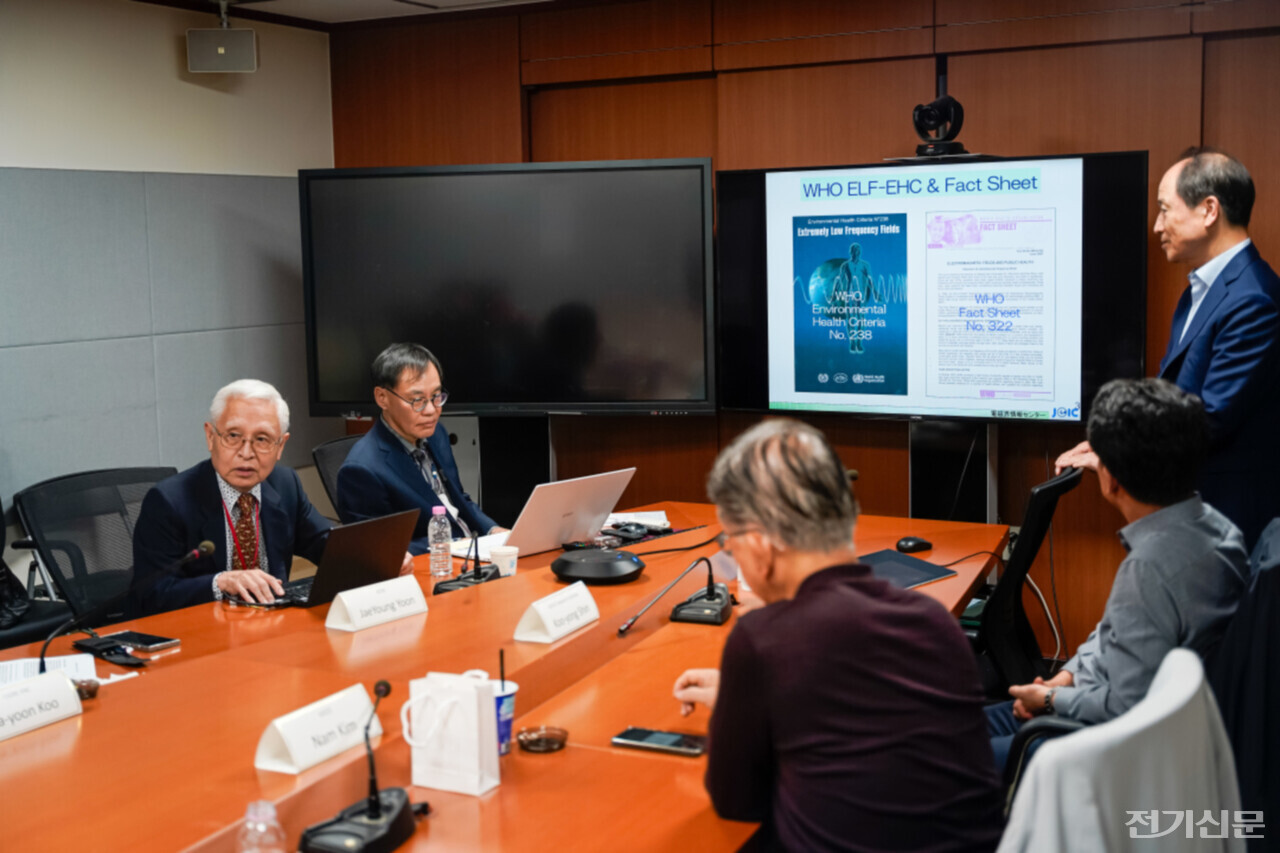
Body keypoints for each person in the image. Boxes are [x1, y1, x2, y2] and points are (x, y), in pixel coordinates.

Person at [672, 419, 1002, 853]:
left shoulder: (762, 640)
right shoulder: (934, 620)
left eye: (731, 544)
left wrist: (741, 705)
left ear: (760, 546)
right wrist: (748, 695)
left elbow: (738, 803)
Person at [991, 378, 1248, 770]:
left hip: (1105, 745)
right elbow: (1114, 634)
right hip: (1115, 706)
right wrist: (1067, 678)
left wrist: (1049, 700)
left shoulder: (1149, 569)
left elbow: (1124, 708)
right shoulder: (1217, 528)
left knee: (939, 753)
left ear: (1110, 480)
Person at [1058, 148, 1280, 550]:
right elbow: (1172, 402)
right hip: (1194, 517)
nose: (1157, 225)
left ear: (1209, 210)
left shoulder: (1253, 299)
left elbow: (1208, 420)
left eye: (1164, 209)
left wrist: (1115, 454)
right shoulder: (1199, 291)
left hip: (1227, 526)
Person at [132, 381, 347, 615]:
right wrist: (220, 583)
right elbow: (150, 594)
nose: (246, 453)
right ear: (211, 437)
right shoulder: (169, 501)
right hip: (204, 630)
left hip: (273, 625)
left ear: (281, 445)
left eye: (262, 439)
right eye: (233, 436)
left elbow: (329, 546)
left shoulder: (285, 484)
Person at [337, 343, 504, 554]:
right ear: (382, 398)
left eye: (436, 396)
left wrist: (492, 530)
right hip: (431, 568)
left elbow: (458, 499)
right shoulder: (362, 470)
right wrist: (451, 545)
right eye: (417, 400)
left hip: (472, 551)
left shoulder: (436, 435)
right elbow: (377, 549)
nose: (431, 410)